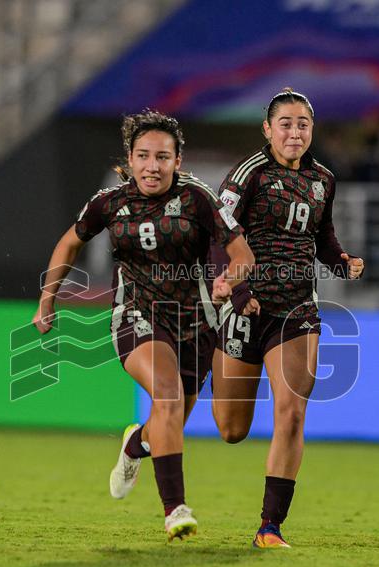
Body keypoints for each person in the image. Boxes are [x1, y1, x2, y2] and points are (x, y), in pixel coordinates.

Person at [33, 110, 254, 541]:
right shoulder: (110, 203)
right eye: (144, 156)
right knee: (167, 397)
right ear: (130, 160)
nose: (153, 166)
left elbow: (243, 254)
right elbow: (70, 241)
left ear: (178, 160)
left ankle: (136, 445)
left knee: (167, 419)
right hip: (136, 314)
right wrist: (48, 298)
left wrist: (231, 278)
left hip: (195, 324)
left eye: (162, 157)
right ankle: (175, 510)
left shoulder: (198, 199)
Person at [208, 89, 365, 548]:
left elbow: (322, 235)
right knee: (231, 430)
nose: (294, 131)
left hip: (297, 309)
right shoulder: (247, 175)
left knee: (292, 412)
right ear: (267, 129)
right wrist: (237, 290)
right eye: (285, 123)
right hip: (245, 308)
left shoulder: (323, 180)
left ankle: (269, 527)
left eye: (303, 124)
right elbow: (220, 237)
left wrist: (341, 261)